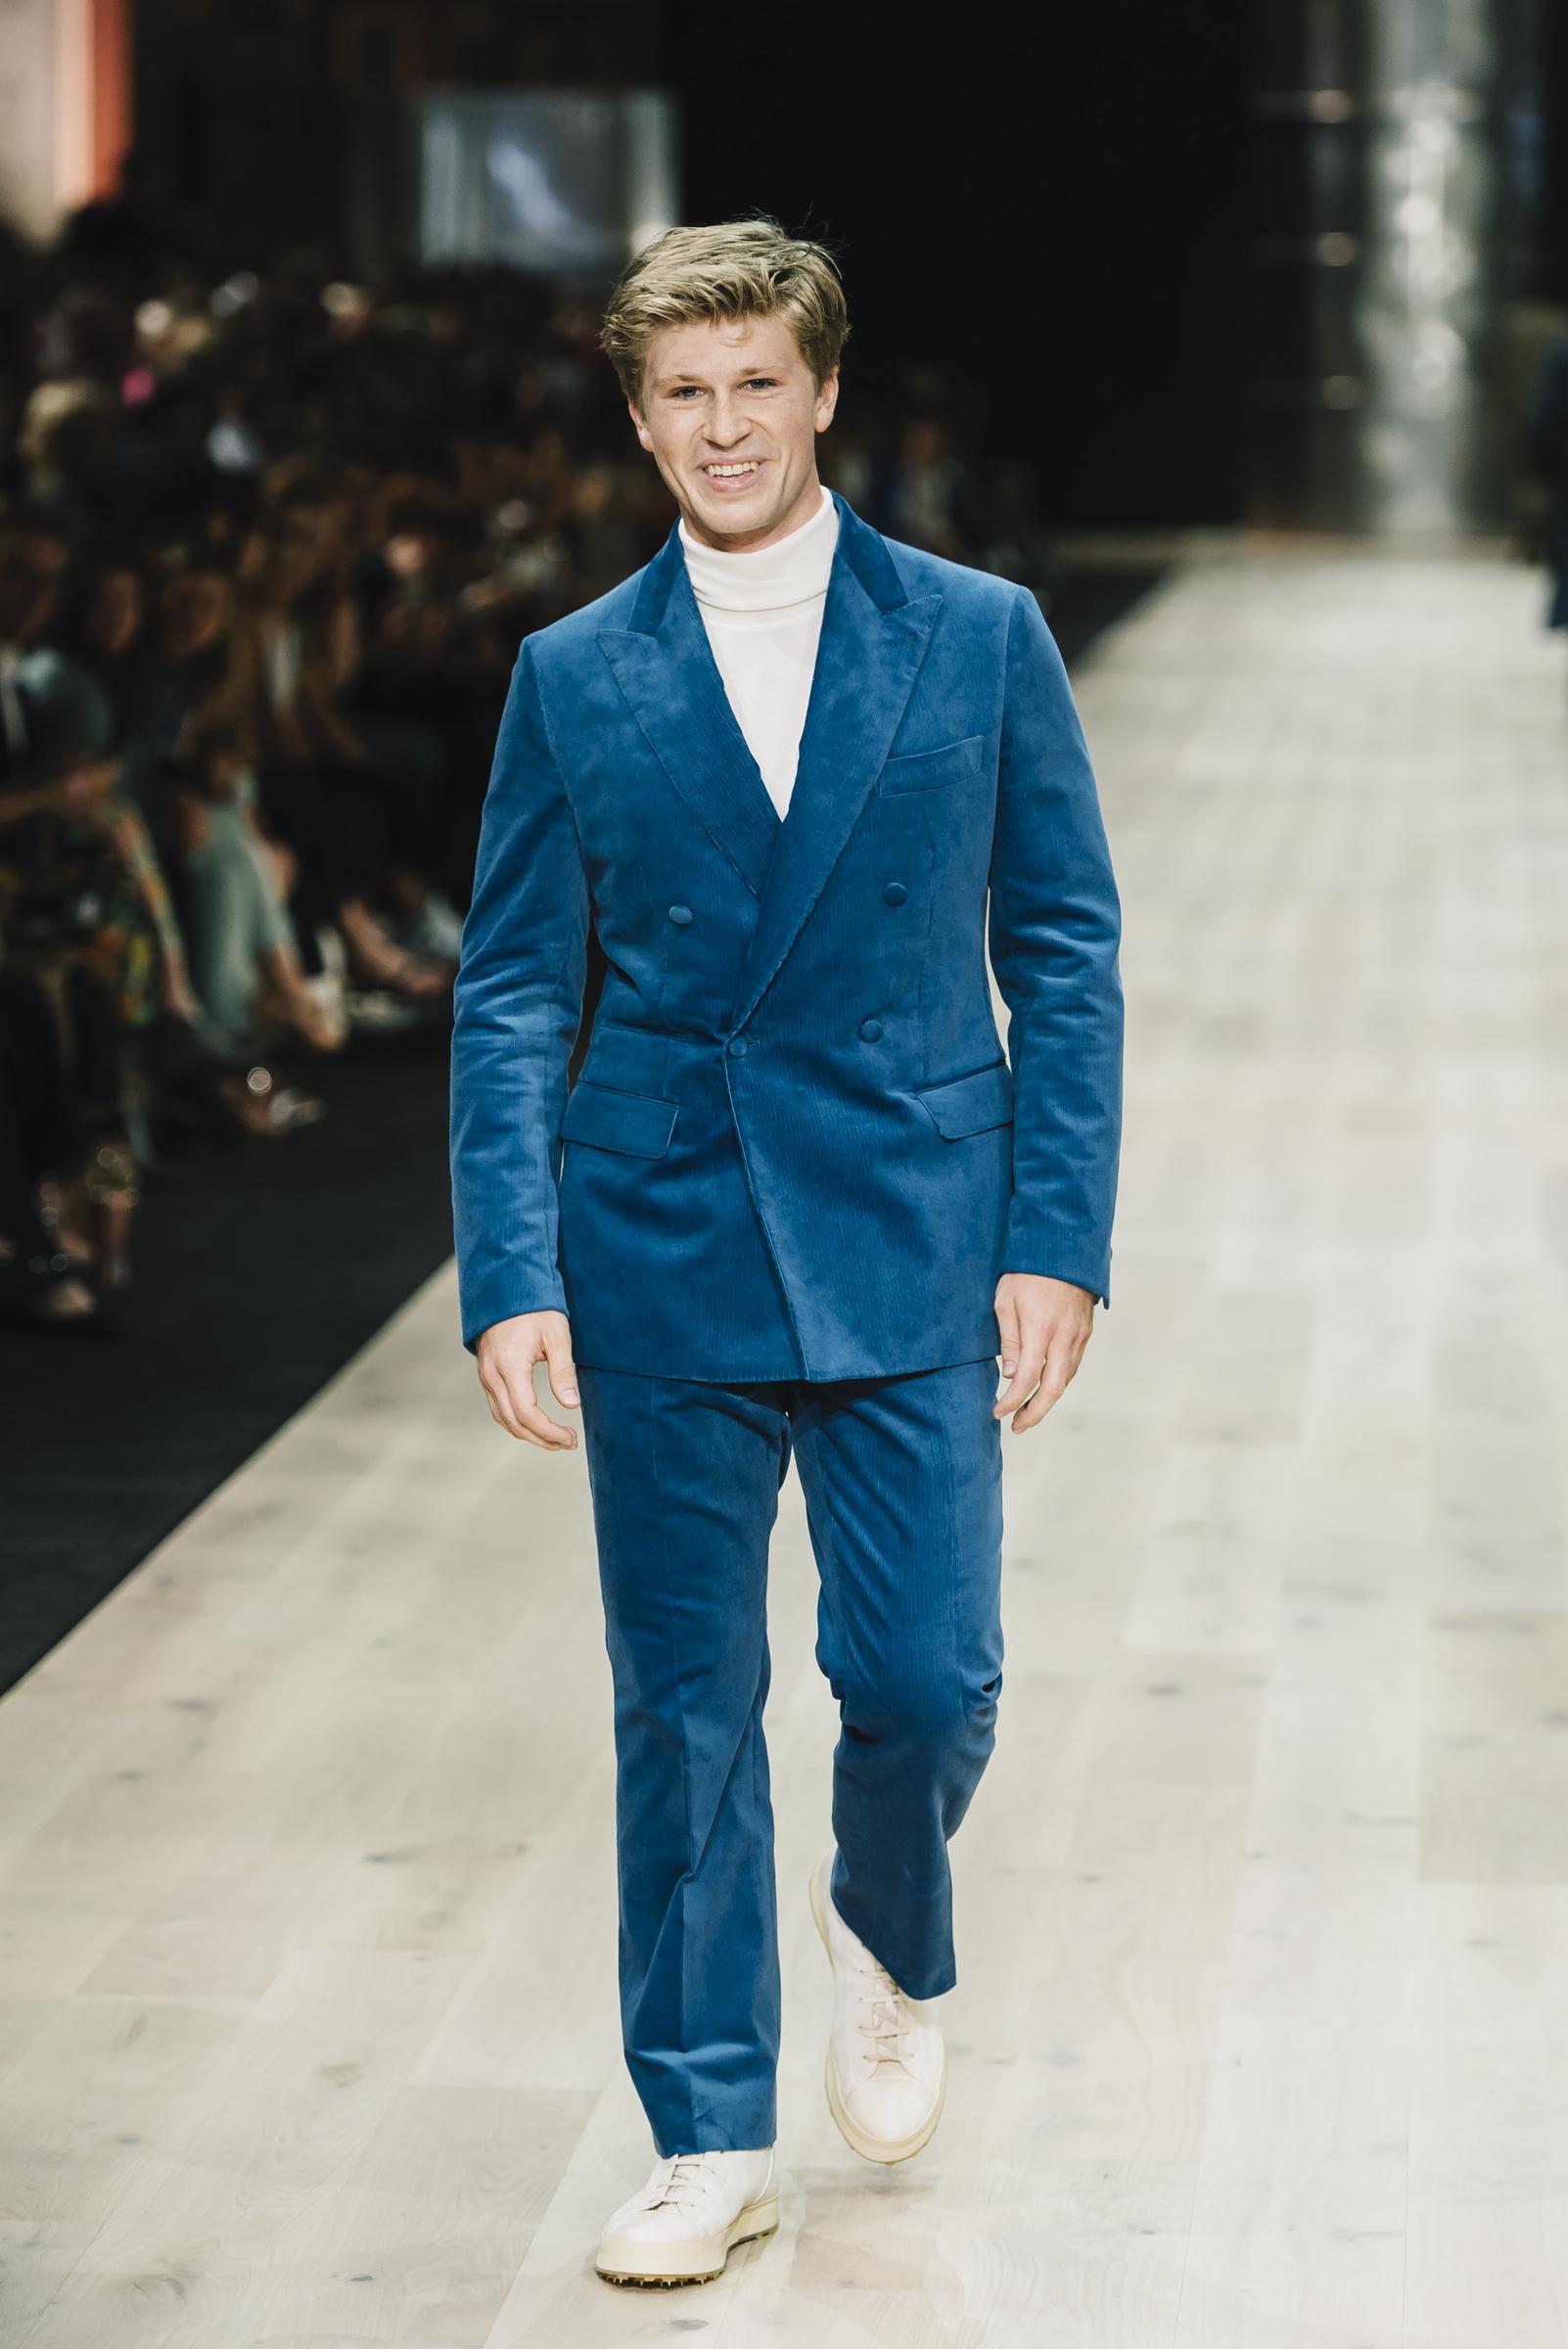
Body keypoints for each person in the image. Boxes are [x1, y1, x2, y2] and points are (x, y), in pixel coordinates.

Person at [448, 216, 1125, 2290]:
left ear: (824, 391)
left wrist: (1057, 1232)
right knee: (686, 1702)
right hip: (659, 1232)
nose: (723, 426)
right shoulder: (573, 675)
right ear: (639, 419)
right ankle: (710, 2127)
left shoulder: (979, 635)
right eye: (683, 394)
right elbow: (503, 988)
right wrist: (511, 1262)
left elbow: (1066, 945)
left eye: (758, 384)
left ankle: (887, 1919)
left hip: (921, 1225)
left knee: (921, 1679)